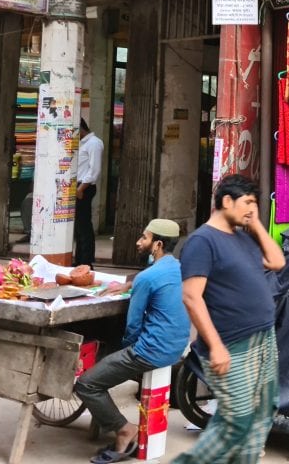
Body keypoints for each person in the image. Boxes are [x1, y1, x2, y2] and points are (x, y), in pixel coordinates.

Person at [175, 174, 285, 464]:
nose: (252, 208)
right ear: (226, 201)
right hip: (232, 343)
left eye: (254, 203)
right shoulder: (202, 241)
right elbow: (191, 297)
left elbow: (277, 261)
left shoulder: (243, 237)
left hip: (263, 337)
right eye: (247, 202)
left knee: (264, 408)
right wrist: (216, 346)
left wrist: (256, 223)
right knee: (236, 420)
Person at [75, 219, 190, 464]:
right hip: (177, 345)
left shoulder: (147, 278)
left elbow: (133, 325)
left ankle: (124, 429)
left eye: (144, 238)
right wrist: (130, 283)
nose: (139, 242)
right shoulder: (179, 267)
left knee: (86, 384)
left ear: (157, 244)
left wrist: (126, 347)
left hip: (151, 350)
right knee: (109, 358)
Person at [75, 118, 104, 267]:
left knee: (84, 225)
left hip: (85, 187)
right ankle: (79, 260)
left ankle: (86, 261)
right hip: (77, 186)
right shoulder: (81, 143)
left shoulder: (94, 143)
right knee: (78, 227)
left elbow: (95, 170)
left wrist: (81, 189)